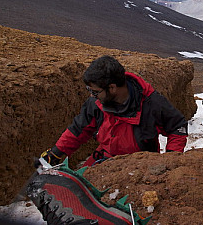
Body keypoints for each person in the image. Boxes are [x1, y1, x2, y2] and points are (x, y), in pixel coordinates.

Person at [36, 55, 188, 168]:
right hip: (103, 159)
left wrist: (170, 161)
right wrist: (56, 153)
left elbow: (177, 127)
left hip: (141, 166)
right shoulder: (96, 104)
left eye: (95, 92)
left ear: (112, 88)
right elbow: (78, 129)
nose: (92, 96)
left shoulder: (152, 104)